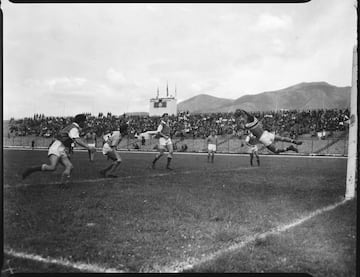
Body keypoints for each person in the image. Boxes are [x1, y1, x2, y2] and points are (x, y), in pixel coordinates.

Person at [22, 114, 96, 185]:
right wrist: (89, 147)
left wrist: (69, 150)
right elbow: (77, 140)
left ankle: (63, 184)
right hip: (57, 147)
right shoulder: (74, 128)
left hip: (62, 148)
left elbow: (68, 140)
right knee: (52, 167)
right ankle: (31, 169)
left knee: (69, 167)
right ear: (81, 121)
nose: (85, 124)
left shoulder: (72, 127)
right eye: (84, 122)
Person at [235, 109, 302, 154]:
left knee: (276, 151)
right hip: (265, 133)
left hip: (262, 138)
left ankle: (290, 147)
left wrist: (238, 120)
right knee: (281, 138)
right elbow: (247, 116)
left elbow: (242, 126)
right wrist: (242, 112)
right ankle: (294, 142)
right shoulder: (254, 120)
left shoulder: (248, 124)